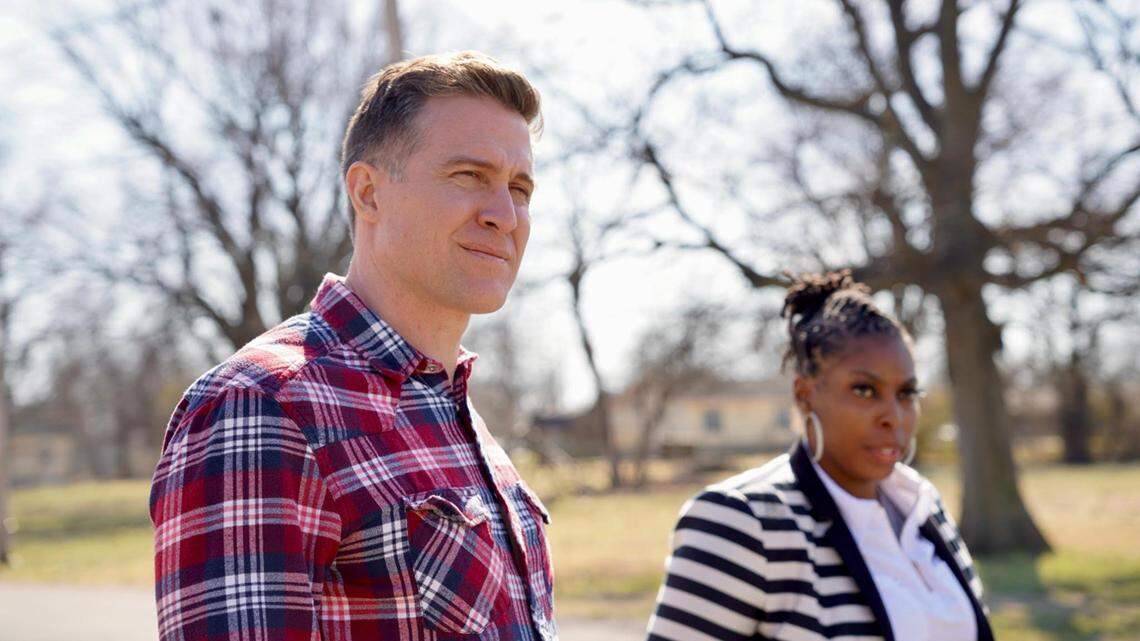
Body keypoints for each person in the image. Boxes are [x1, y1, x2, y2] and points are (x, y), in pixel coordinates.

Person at [150, 52, 557, 641]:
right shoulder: (261, 406)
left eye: (519, 188)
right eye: (469, 175)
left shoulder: (459, 413)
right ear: (368, 193)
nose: (505, 215)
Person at [645, 270, 994, 641]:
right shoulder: (743, 521)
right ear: (805, 394)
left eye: (907, 393)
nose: (893, 416)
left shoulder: (921, 506)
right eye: (864, 390)